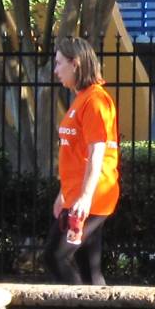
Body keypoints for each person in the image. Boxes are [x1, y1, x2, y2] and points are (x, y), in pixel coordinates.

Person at [50, 35, 119, 285]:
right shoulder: (81, 99)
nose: (56, 70)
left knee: (56, 256)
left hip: (93, 196)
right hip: (77, 195)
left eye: (59, 64)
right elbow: (75, 153)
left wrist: (85, 197)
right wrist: (63, 194)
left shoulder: (95, 100)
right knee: (89, 268)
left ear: (76, 63)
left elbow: (97, 150)